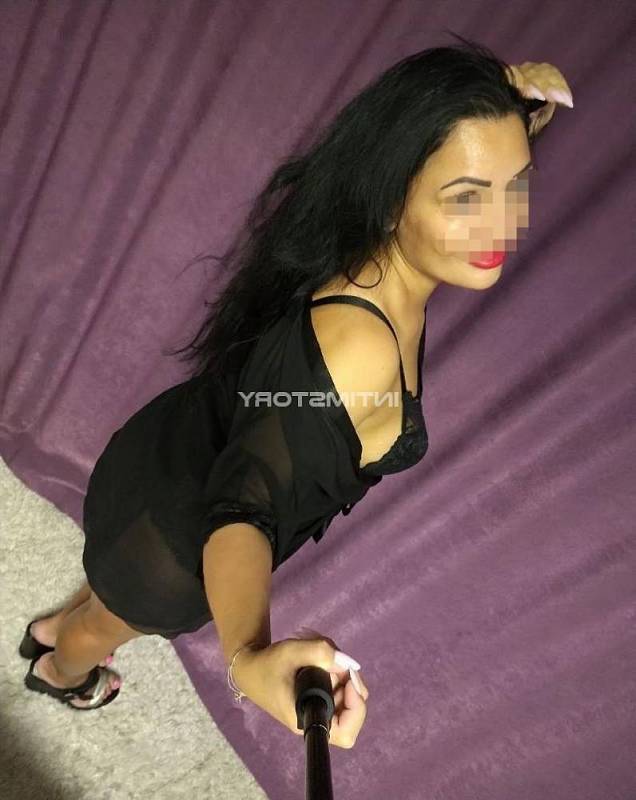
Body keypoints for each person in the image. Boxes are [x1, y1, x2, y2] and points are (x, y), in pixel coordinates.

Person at [21, 32, 572, 747]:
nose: (504, 223)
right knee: (104, 624)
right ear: (390, 198)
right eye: (467, 198)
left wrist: (514, 107)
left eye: (516, 184)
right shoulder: (360, 348)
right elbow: (242, 511)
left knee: (106, 592)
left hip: (171, 449)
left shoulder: (368, 249)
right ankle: (60, 668)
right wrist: (249, 658)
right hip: (175, 548)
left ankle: (60, 625)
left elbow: (451, 159)